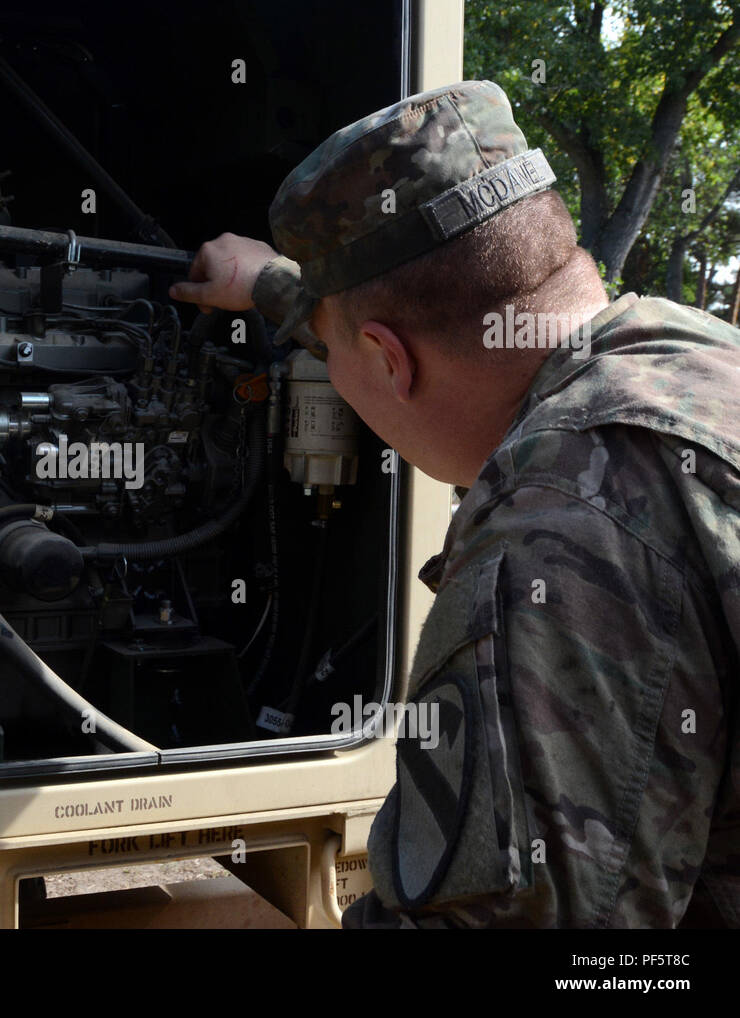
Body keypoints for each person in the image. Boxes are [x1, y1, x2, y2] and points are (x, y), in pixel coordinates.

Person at [170, 79, 740, 927]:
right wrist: (271, 286)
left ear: (388, 361)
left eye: (335, 352)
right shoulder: (693, 354)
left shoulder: (554, 541)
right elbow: (415, 307)